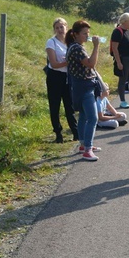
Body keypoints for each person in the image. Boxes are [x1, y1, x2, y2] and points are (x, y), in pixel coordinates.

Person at [65, 19, 100, 161]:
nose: (87, 36)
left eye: (88, 33)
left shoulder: (74, 46)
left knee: (84, 116)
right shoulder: (77, 48)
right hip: (84, 87)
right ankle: (87, 149)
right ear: (76, 34)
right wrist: (96, 46)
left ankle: (83, 144)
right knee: (93, 118)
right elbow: (91, 64)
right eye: (84, 33)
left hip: (79, 86)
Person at [45, 17, 78, 143]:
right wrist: (70, 62)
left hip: (68, 77)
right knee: (55, 105)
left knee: (70, 106)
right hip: (55, 77)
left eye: (61, 27)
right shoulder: (51, 42)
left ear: (66, 27)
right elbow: (54, 64)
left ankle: (76, 133)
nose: (60, 29)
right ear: (54, 29)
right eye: (57, 27)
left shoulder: (71, 42)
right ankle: (58, 134)